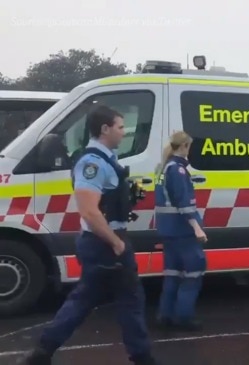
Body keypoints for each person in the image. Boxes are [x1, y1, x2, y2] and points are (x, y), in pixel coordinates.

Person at [24, 105, 157, 365]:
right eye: (120, 127)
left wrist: (126, 198)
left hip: (102, 242)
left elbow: (104, 202)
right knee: (130, 301)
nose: (123, 132)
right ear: (105, 129)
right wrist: (116, 242)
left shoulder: (107, 159)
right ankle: (143, 358)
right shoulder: (92, 163)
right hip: (105, 243)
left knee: (84, 299)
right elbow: (89, 211)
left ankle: (42, 352)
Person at [154, 131, 207, 332]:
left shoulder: (163, 167)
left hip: (168, 230)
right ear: (184, 146)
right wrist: (197, 228)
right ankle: (184, 317)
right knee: (194, 272)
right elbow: (184, 204)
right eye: (189, 147)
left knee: (172, 273)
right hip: (182, 229)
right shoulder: (178, 170)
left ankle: (165, 315)